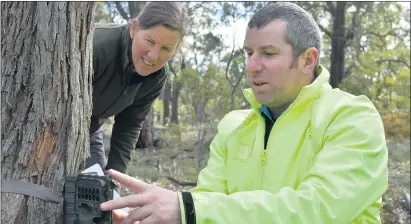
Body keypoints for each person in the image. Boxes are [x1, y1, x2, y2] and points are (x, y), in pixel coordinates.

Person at [100, 2, 389, 224]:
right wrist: (154, 216)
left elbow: (320, 209)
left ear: (307, 60)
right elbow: (208, 204)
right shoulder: (234, 126)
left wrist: (188, 209)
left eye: (268, 53)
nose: (252, 66)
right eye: (249, 53)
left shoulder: (352, 117)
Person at [86, 2, 189, 174]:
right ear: (134, 28)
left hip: (91, 129)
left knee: (100, 191)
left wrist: (115, 176)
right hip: (50, 126)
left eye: (166, 48)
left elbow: (130, 124)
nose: (154, 55)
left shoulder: (157, 77)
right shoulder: (96, 46)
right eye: (150, 41)